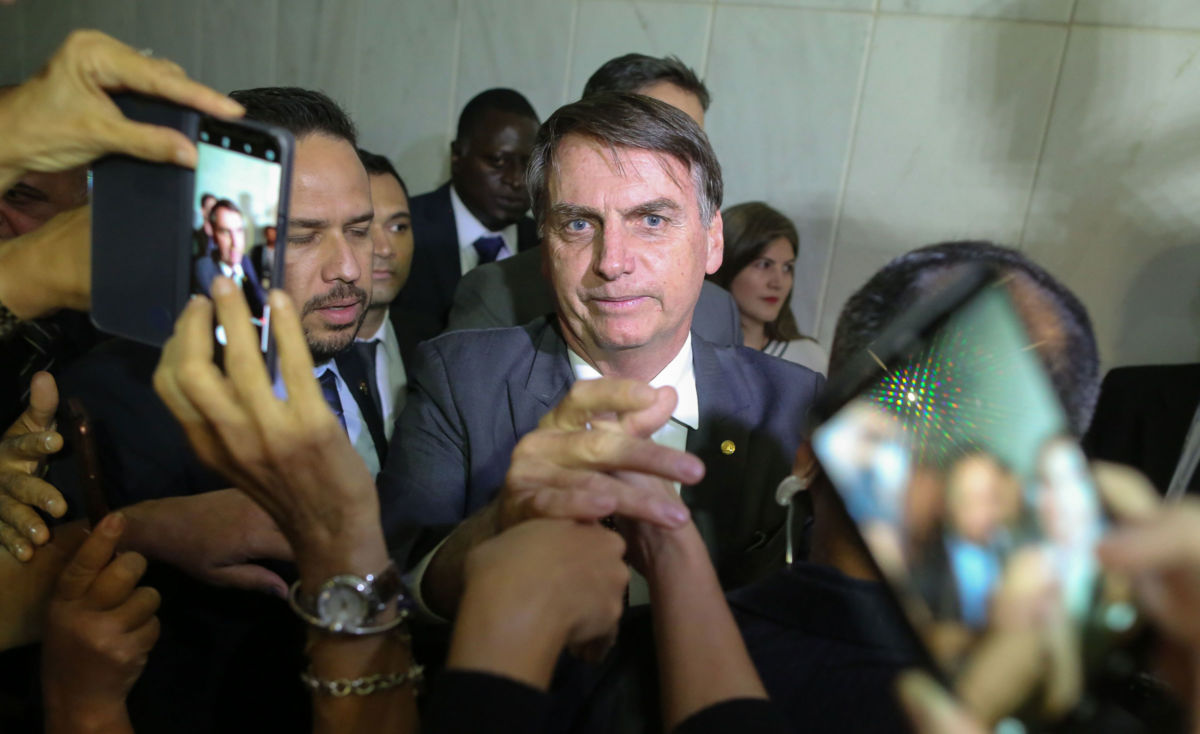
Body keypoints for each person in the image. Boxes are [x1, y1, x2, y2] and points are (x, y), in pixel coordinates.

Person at [13, 86, 385, 733]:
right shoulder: (110, 401)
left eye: (359, 229)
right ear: (219, 238)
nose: (350, 268)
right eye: (304, 236)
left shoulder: (353, 357)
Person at [382, 93, 822, 621]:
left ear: (712, 242)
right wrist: (502, 526)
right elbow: (393, 595)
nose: (612, 262)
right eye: (578, 225)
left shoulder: (796, 408)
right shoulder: (460, 383)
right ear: (543, 247)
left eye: (652, 220)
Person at [444, 53, 741, 344]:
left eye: (692, 136)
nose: (612, 263)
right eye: (654, 130)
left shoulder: (719, 312)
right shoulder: (498, 296)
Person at [391, 88, 541, 330]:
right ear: (457, 156)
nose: (516, 179)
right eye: (498, 161)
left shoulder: (544, 244)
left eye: (527, 164)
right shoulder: (405, 229)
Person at [707, 201, 827, 374]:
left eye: (787, 268)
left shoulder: (807, 360)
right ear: (727, 265)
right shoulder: (685, 350)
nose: (777, 282)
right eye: (764, 265)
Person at [191, 199, 267, 314]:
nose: (235, 243)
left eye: (239, 231)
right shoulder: (204, 268)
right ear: (213, 236)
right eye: (226, 232)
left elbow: (259, 301)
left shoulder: (245, 262)